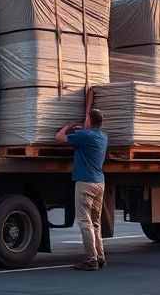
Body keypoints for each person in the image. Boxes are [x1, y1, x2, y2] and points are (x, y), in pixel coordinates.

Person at [55, 107, 108, 271]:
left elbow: (59, 138)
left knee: (85, 222)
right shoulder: (102, 137)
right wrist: (80, 131)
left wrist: (68, 127)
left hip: (85, 182)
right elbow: (85, 139)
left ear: (89, 120)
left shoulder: (84, 136)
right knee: (96, 222)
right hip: (99, 183)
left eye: (86, 118)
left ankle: (91, 259)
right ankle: (100, 257)